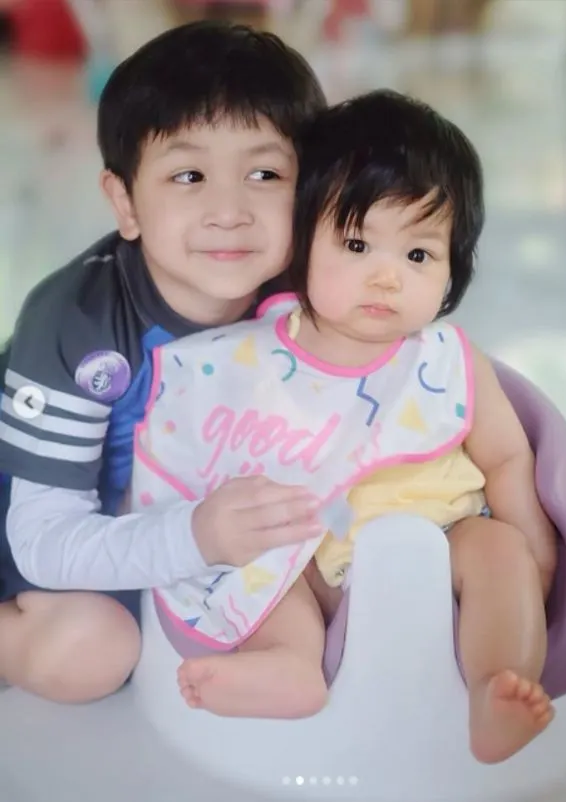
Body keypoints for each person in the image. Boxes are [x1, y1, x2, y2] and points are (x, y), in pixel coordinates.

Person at [133, 90, 558, 765]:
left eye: (419, 255)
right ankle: (290, 664)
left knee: (499, 553)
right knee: (259, 565)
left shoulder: (446, 359)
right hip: (312, 556)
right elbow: (219, 465)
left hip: (446, 538)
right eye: (357, 244)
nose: (387, 277)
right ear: (302, 242)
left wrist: (532, 541)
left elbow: (507, 455)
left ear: (454, 266)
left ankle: (496, 688)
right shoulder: (257, 357)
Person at [0, 20, 327, 702]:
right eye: (188, 175)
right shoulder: (78, 323)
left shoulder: (305, 294)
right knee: (92, 651)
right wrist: (197, 537)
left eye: (265, 173)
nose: (229, 211)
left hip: (164, 522)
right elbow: (42, 540)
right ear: (125, 202)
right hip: (33, 527)